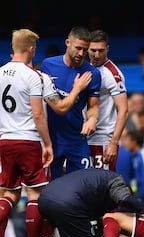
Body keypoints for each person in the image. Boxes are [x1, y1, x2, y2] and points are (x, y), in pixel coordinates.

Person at [0, 28, 53, 237]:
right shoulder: (33, 76)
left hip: (7, 140)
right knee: (35, 194)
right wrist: (48, 143)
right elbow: (38, 115)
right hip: (29, 140)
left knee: (8, 193)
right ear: (31, 49)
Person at [39, 26, 101, 179]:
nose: (81, 54)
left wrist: (92, 119)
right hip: (51, 138)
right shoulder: (48, 65)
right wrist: (77, 89)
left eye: (85, 50)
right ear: (67, 42)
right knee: (49, 188)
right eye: (78, 48)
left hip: (76, 138)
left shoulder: (92, 73)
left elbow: (93, 106)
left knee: (84, 184)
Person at [87, 29, 128, 171]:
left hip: (103, 139)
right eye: (93, 50)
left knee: (102, 186)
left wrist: (113, 143)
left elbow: (123, 110)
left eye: (101, 50)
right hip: (84, 138)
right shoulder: (85, 68)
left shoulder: (114, 75)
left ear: (107, 49)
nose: (97, 55)